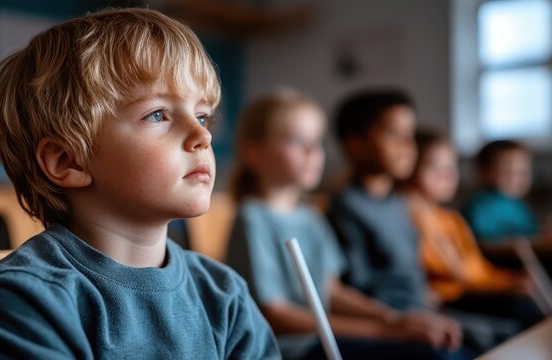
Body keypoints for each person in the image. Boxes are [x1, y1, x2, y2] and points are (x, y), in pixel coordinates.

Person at [0, 8, 279, 359]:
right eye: (157, 114)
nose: (202, 136)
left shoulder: (224, 296)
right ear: (68, 161)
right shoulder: (23, 305)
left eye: (202, 115)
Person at [225, 89, 467, 360]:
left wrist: (393, 318)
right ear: (254, 154)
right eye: (296, 140)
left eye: (316, 141)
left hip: (323, 338)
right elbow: (275, 314)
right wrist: (383, 331)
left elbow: (331, 290)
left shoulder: (311, 216)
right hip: (291, 349)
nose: (313, 151)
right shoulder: (252, 218)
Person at [325, 89, 507, 354]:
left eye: (409, 134)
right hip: (395, 320)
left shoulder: (397, 204)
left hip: (424, 308)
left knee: (507, 332)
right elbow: (359, 287)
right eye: (393, 134)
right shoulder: (346, 207)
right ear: (356, 143)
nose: (407, 145)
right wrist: (401, 319)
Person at [403, 131, 542, 330]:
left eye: (452, 167)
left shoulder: (452, 219)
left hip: (474, 287)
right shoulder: (411, 217)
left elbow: (477, 268)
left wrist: (510, 279)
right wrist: (505, 286)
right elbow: (455, 272)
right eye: (435, 167)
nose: (447, 175)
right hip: (454, 295)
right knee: (521, 307)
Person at [462, 140, 539, 244]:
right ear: (483, 172)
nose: (516, 178)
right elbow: (486, 240)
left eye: (522, 172)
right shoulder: (482, 207)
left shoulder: (519, 205)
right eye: (507, 171)